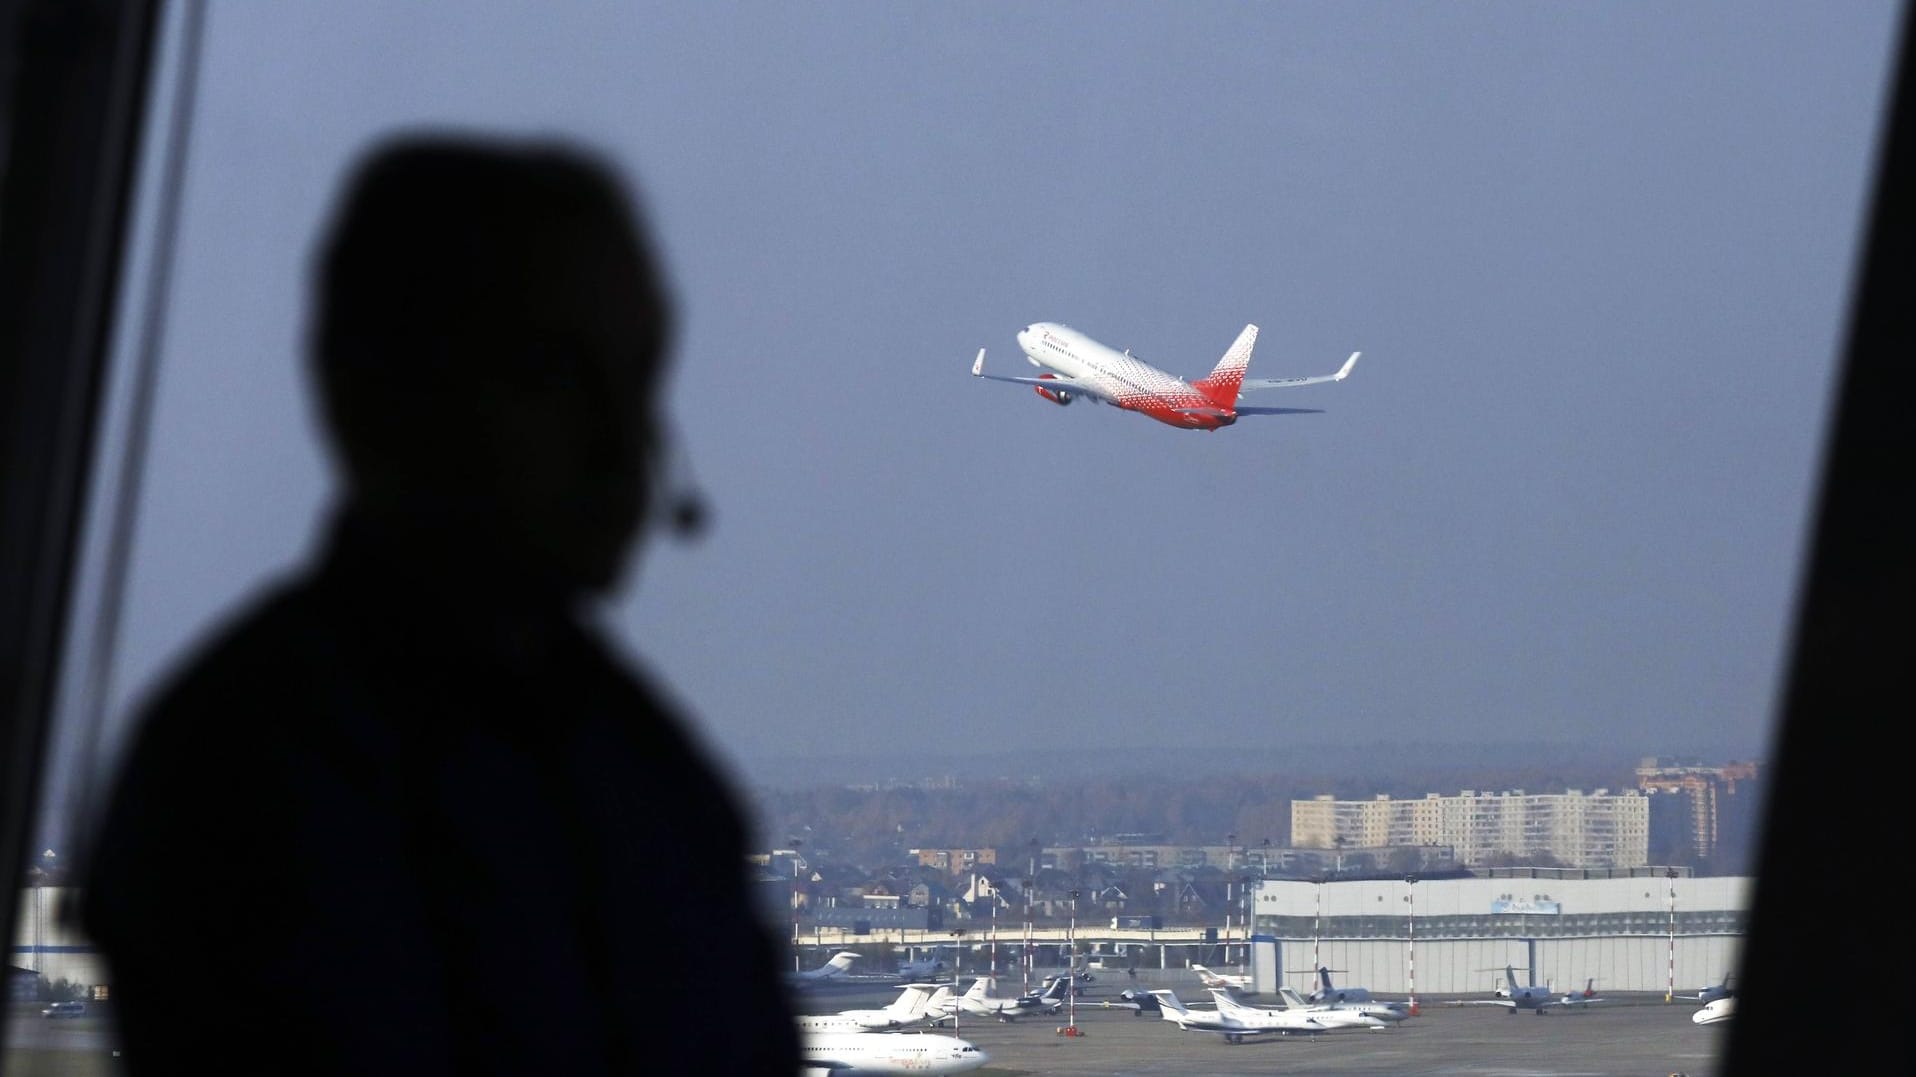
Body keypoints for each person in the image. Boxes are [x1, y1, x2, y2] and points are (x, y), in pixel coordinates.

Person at [80, 134, 799, 1074]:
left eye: (639, 376)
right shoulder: (261, 773)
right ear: (384, 394)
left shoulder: (631, 757)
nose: (627, 439)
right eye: (557, 374)